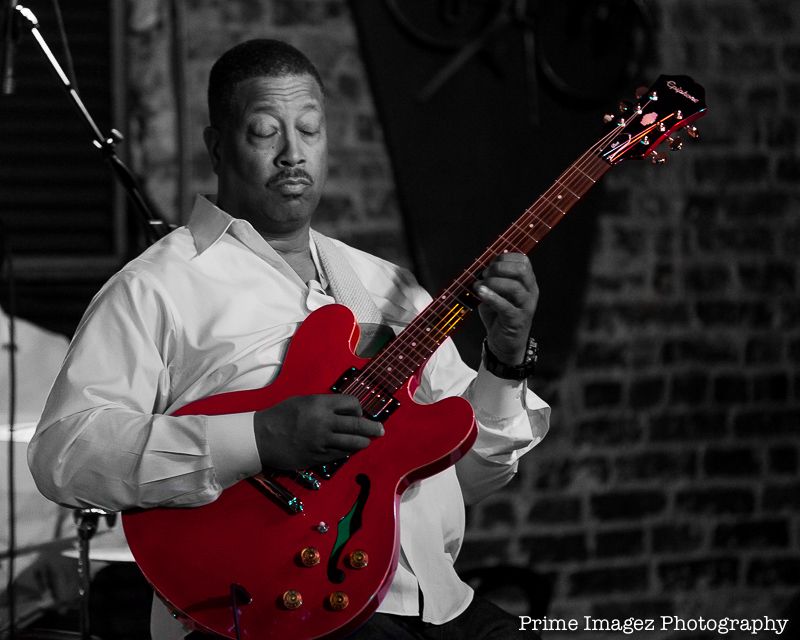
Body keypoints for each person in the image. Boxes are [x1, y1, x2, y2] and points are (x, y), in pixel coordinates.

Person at [28, 39, 550, 639]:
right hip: (273, 612)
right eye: (264, 132)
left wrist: (505, 362)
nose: (292, 154)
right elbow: (65, 454)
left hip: (439, 603)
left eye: (309, 130)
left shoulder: (390, 287)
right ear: (217, 147)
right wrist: (258, 437)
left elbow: (471, 478)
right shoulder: (157, 286)